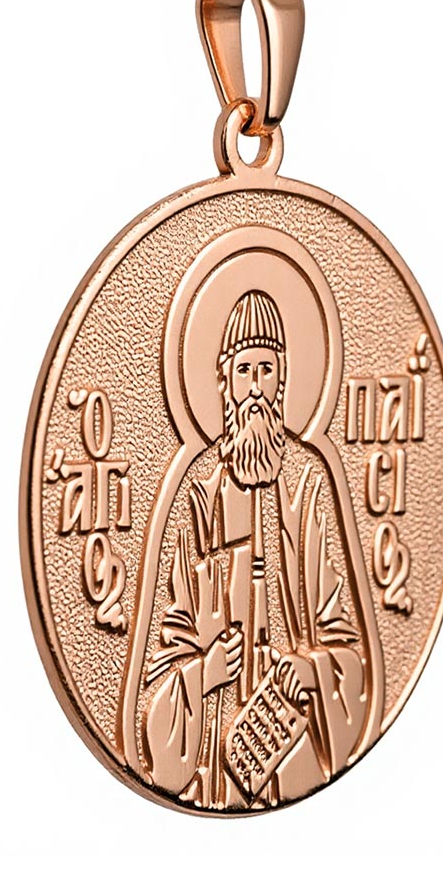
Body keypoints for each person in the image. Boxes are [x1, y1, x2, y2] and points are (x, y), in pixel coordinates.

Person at [141, 289, 371, 809]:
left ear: (282, 378)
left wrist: (311, 669)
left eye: (266, 370)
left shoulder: (307, 480)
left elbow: (341, 634)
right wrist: (204, 673)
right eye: (244, 371)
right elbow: (171, 639)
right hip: (217, 740)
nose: (255, 388)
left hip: (293, 729)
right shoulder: (201, 491)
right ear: (225, 381)